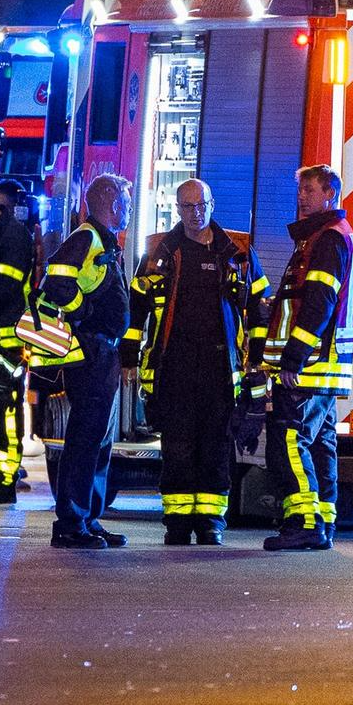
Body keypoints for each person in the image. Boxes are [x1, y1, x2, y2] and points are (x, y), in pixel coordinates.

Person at [127, 179, 268, 546]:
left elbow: (259, 308)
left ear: (212, 204)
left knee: (216, 445)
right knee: (177, 445)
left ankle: (210, 522)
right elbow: (136, 309)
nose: (195, 213)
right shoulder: (159, 250)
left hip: (220, 367)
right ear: (177, 209)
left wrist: (256, 360)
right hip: (173, 365)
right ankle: (177, 522)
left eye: (201, 205)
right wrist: (128, 357)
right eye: (188, 206)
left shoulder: (237, 251)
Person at [262, 165, 353, 552]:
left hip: (309, 367)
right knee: (321, 444)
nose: (301, 196)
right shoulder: (333, 235)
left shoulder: (326, 239)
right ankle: (322, 521)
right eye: (301, 189)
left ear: (330, 194)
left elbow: (320, 303)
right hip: (324, 365)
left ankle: (304, 523)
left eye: (309, 189)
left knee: (290, 441)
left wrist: (293, 358)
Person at [38, 174, 133, 549]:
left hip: (103, 352)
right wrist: (86, 313)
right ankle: (71, 522)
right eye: (126, 202)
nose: (129, 209)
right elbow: (56, 281)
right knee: (85, 438)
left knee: (99, 440)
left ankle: (89, 518)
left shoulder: (102, 239)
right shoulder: (87, 237)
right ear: (113, 203)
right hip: (90, 351)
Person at [0, 179, 38, 502]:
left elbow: (4, 288)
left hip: (7, 336)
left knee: (5, 406)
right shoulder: (2, 235)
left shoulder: (12, 236)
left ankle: (6, 476)